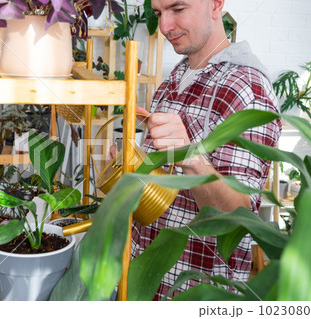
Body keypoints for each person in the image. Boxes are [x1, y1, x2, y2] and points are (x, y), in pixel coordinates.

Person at [108, 0, 282, 299]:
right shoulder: (176, 77)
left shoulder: (246, 88)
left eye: (178, 9)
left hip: (195, 292)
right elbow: (166, 185)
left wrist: (191, 157)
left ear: (216, 5)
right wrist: (133, 164)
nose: (164, 27)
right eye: (159, 13)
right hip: (145, 277)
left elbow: (238, 214)